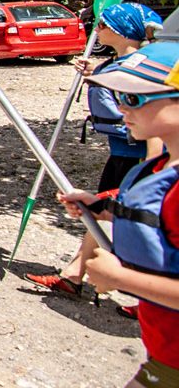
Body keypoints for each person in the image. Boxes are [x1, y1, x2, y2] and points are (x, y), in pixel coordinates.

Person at [55, 40, 179, 387]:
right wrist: (101, 206)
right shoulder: (161, 166)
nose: (122, 108)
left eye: (135, 98)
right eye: (121, 96)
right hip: (163, 352)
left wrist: (121, 279)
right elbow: (151, 214)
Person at [28, 2, 165, 298]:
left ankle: (140, 294)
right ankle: (75, 274)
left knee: (139, 223)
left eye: (102, 25)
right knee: (101, 213)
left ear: (121, 30)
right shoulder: (119, 64)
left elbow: (155, 129)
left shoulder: (143, 70)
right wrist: (97, 69)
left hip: (136, 158)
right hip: (121, 155)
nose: (96, 29)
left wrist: (153, 171)